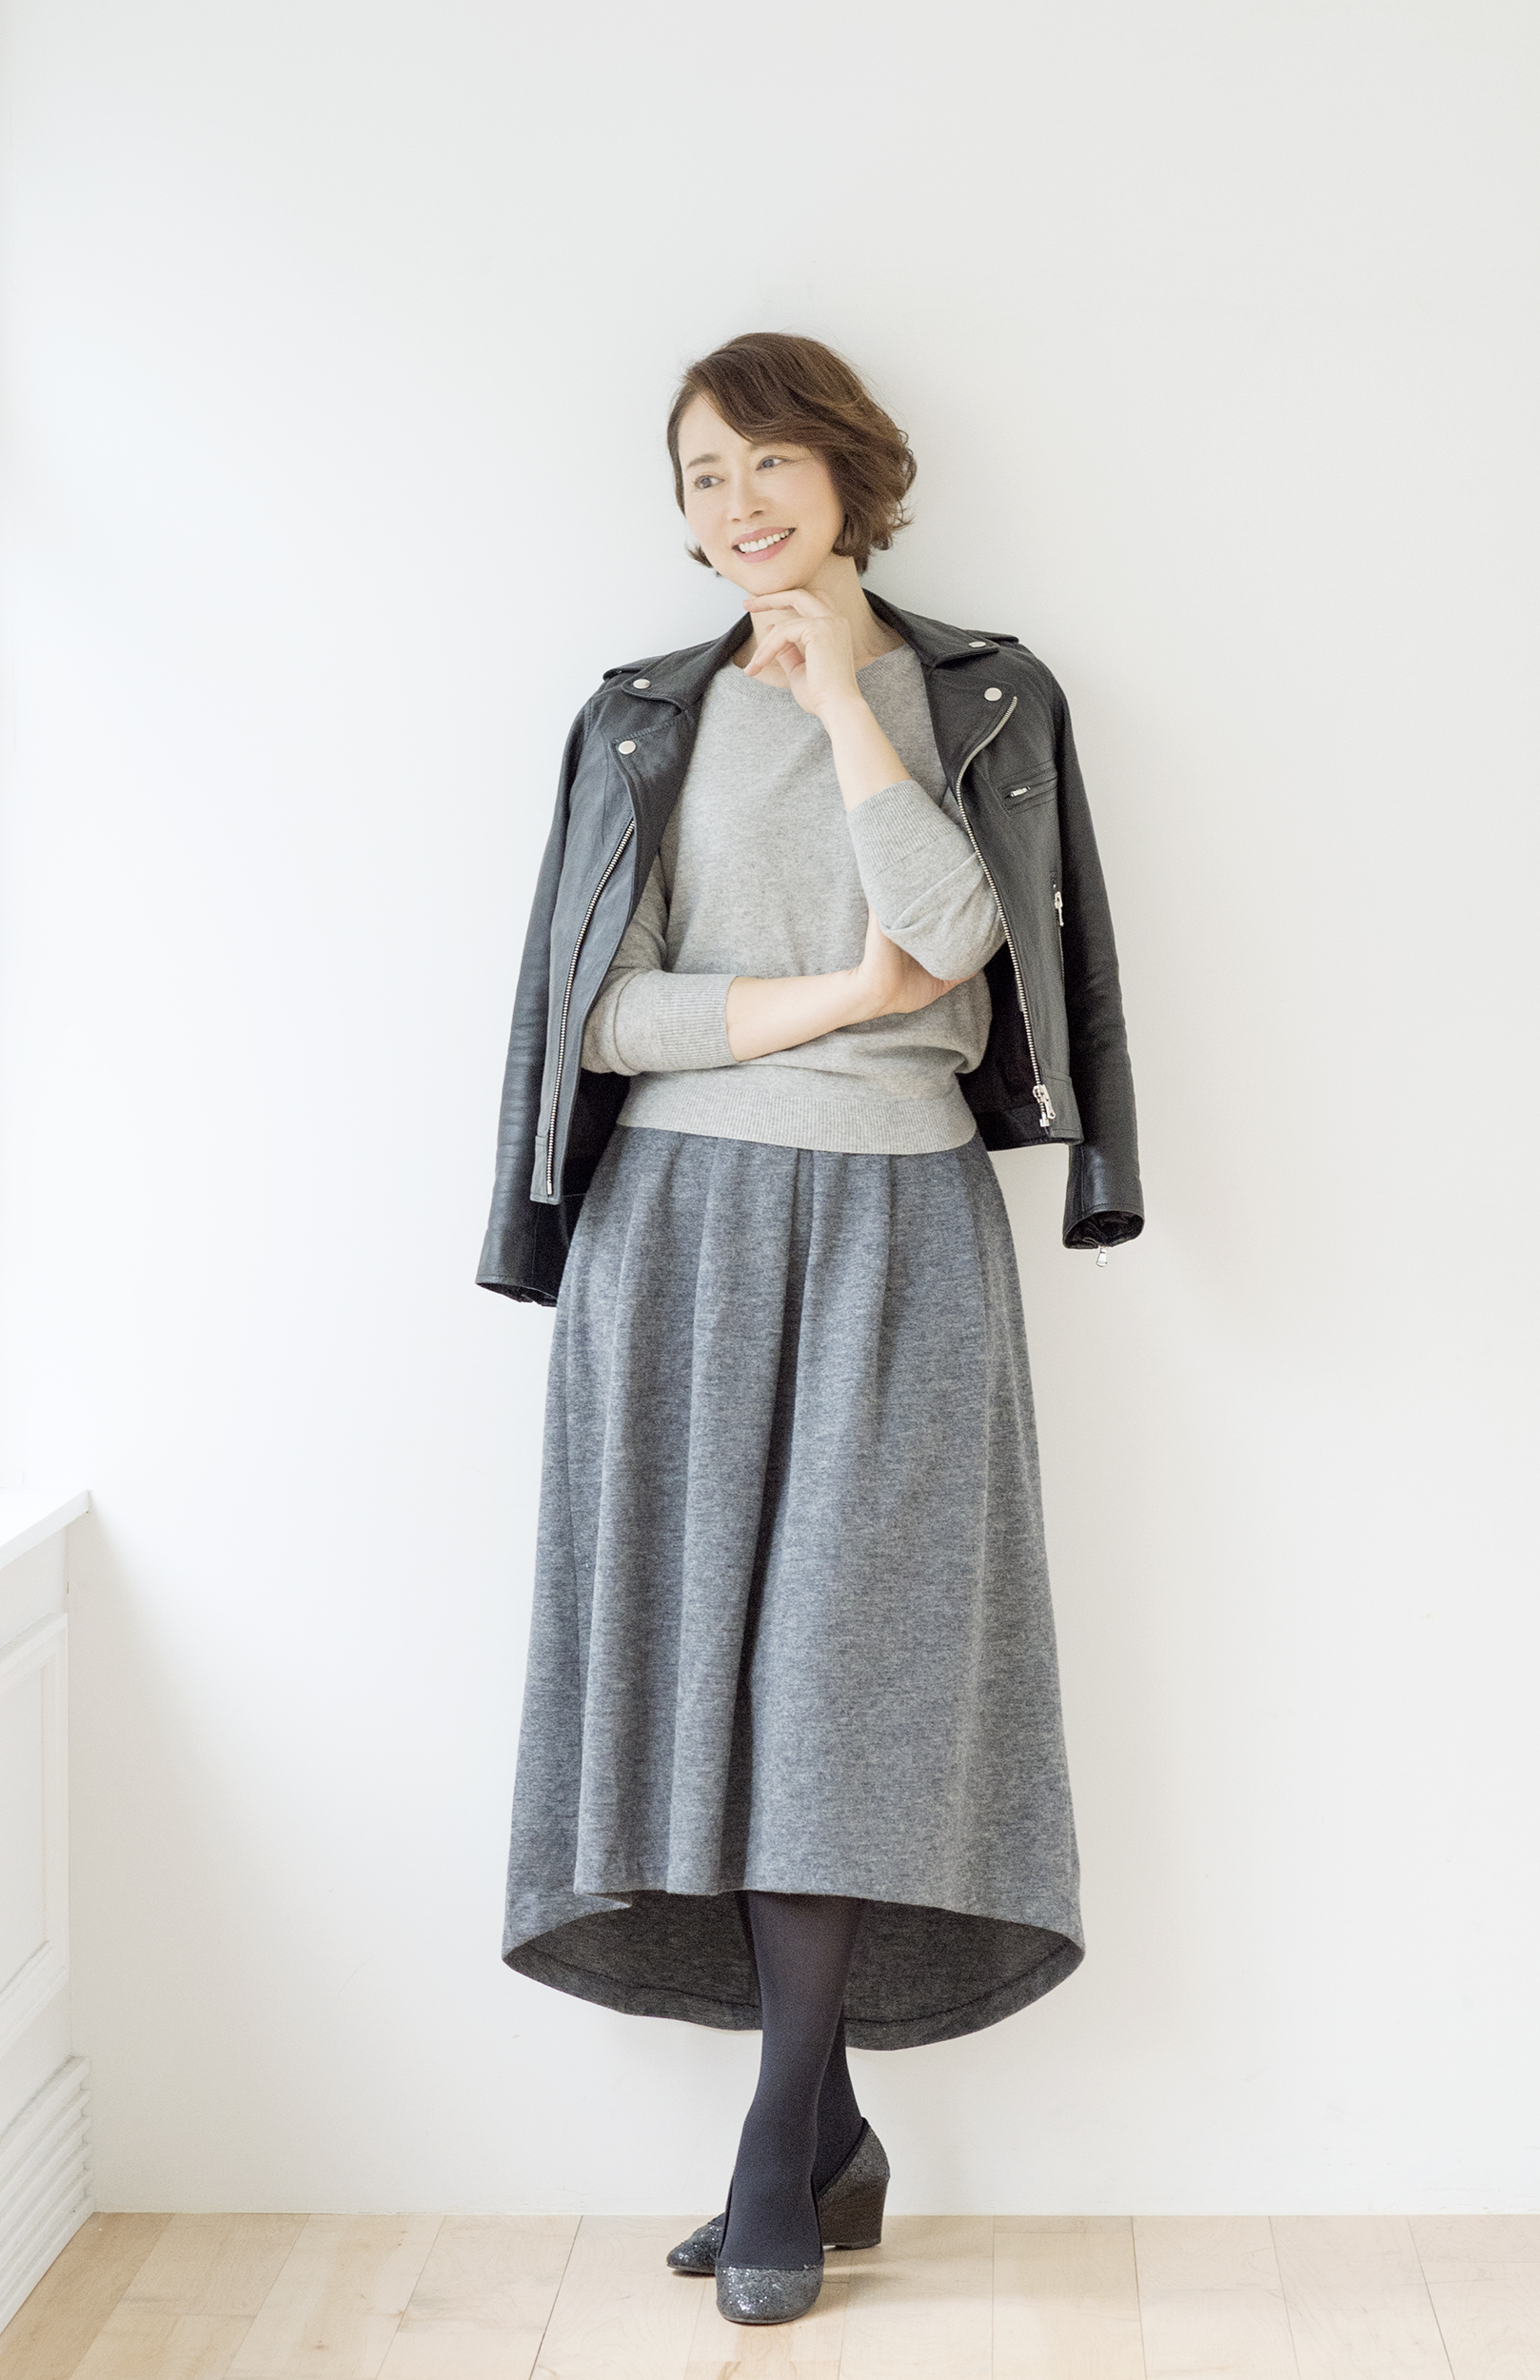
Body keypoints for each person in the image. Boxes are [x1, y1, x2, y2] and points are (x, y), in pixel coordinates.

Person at [476, 330, 1143, 2327]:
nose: (737, 503)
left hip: (898, 1230)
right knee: (713, 1681)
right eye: (703, 476)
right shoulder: (638, 720)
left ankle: (779, 2147)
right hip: (672, 1233)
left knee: (847, 1684)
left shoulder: (984, 694)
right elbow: (600, 1017)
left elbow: (954, 932)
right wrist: (839, 1000)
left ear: (850, 472)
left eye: (767, 461)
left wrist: (846, 695)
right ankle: (826, 2129)